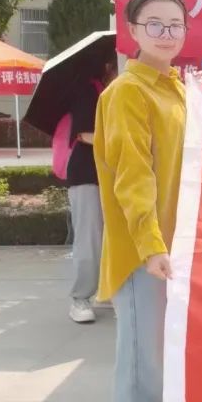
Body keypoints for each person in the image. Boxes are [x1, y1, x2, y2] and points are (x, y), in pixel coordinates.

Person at [94, 0, 202, 402]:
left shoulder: (177, 88)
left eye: (175, 24)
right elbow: (132, 177)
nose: (166, 33)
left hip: (175, 251)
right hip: (146, 254)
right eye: (154, 24)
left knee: (165, 361)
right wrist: (150, 245)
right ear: (132, 31)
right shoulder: (128, 93)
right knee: (141, 365)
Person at [67, 57, 118, 324]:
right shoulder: (88, 91)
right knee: (90, 239)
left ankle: (108, 290)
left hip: (118, 175)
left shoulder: (127, 92)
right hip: (88, 175)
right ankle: (81, 297)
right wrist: (121, 143)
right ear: (109, 66)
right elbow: (83, 134)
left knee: (116, 237)